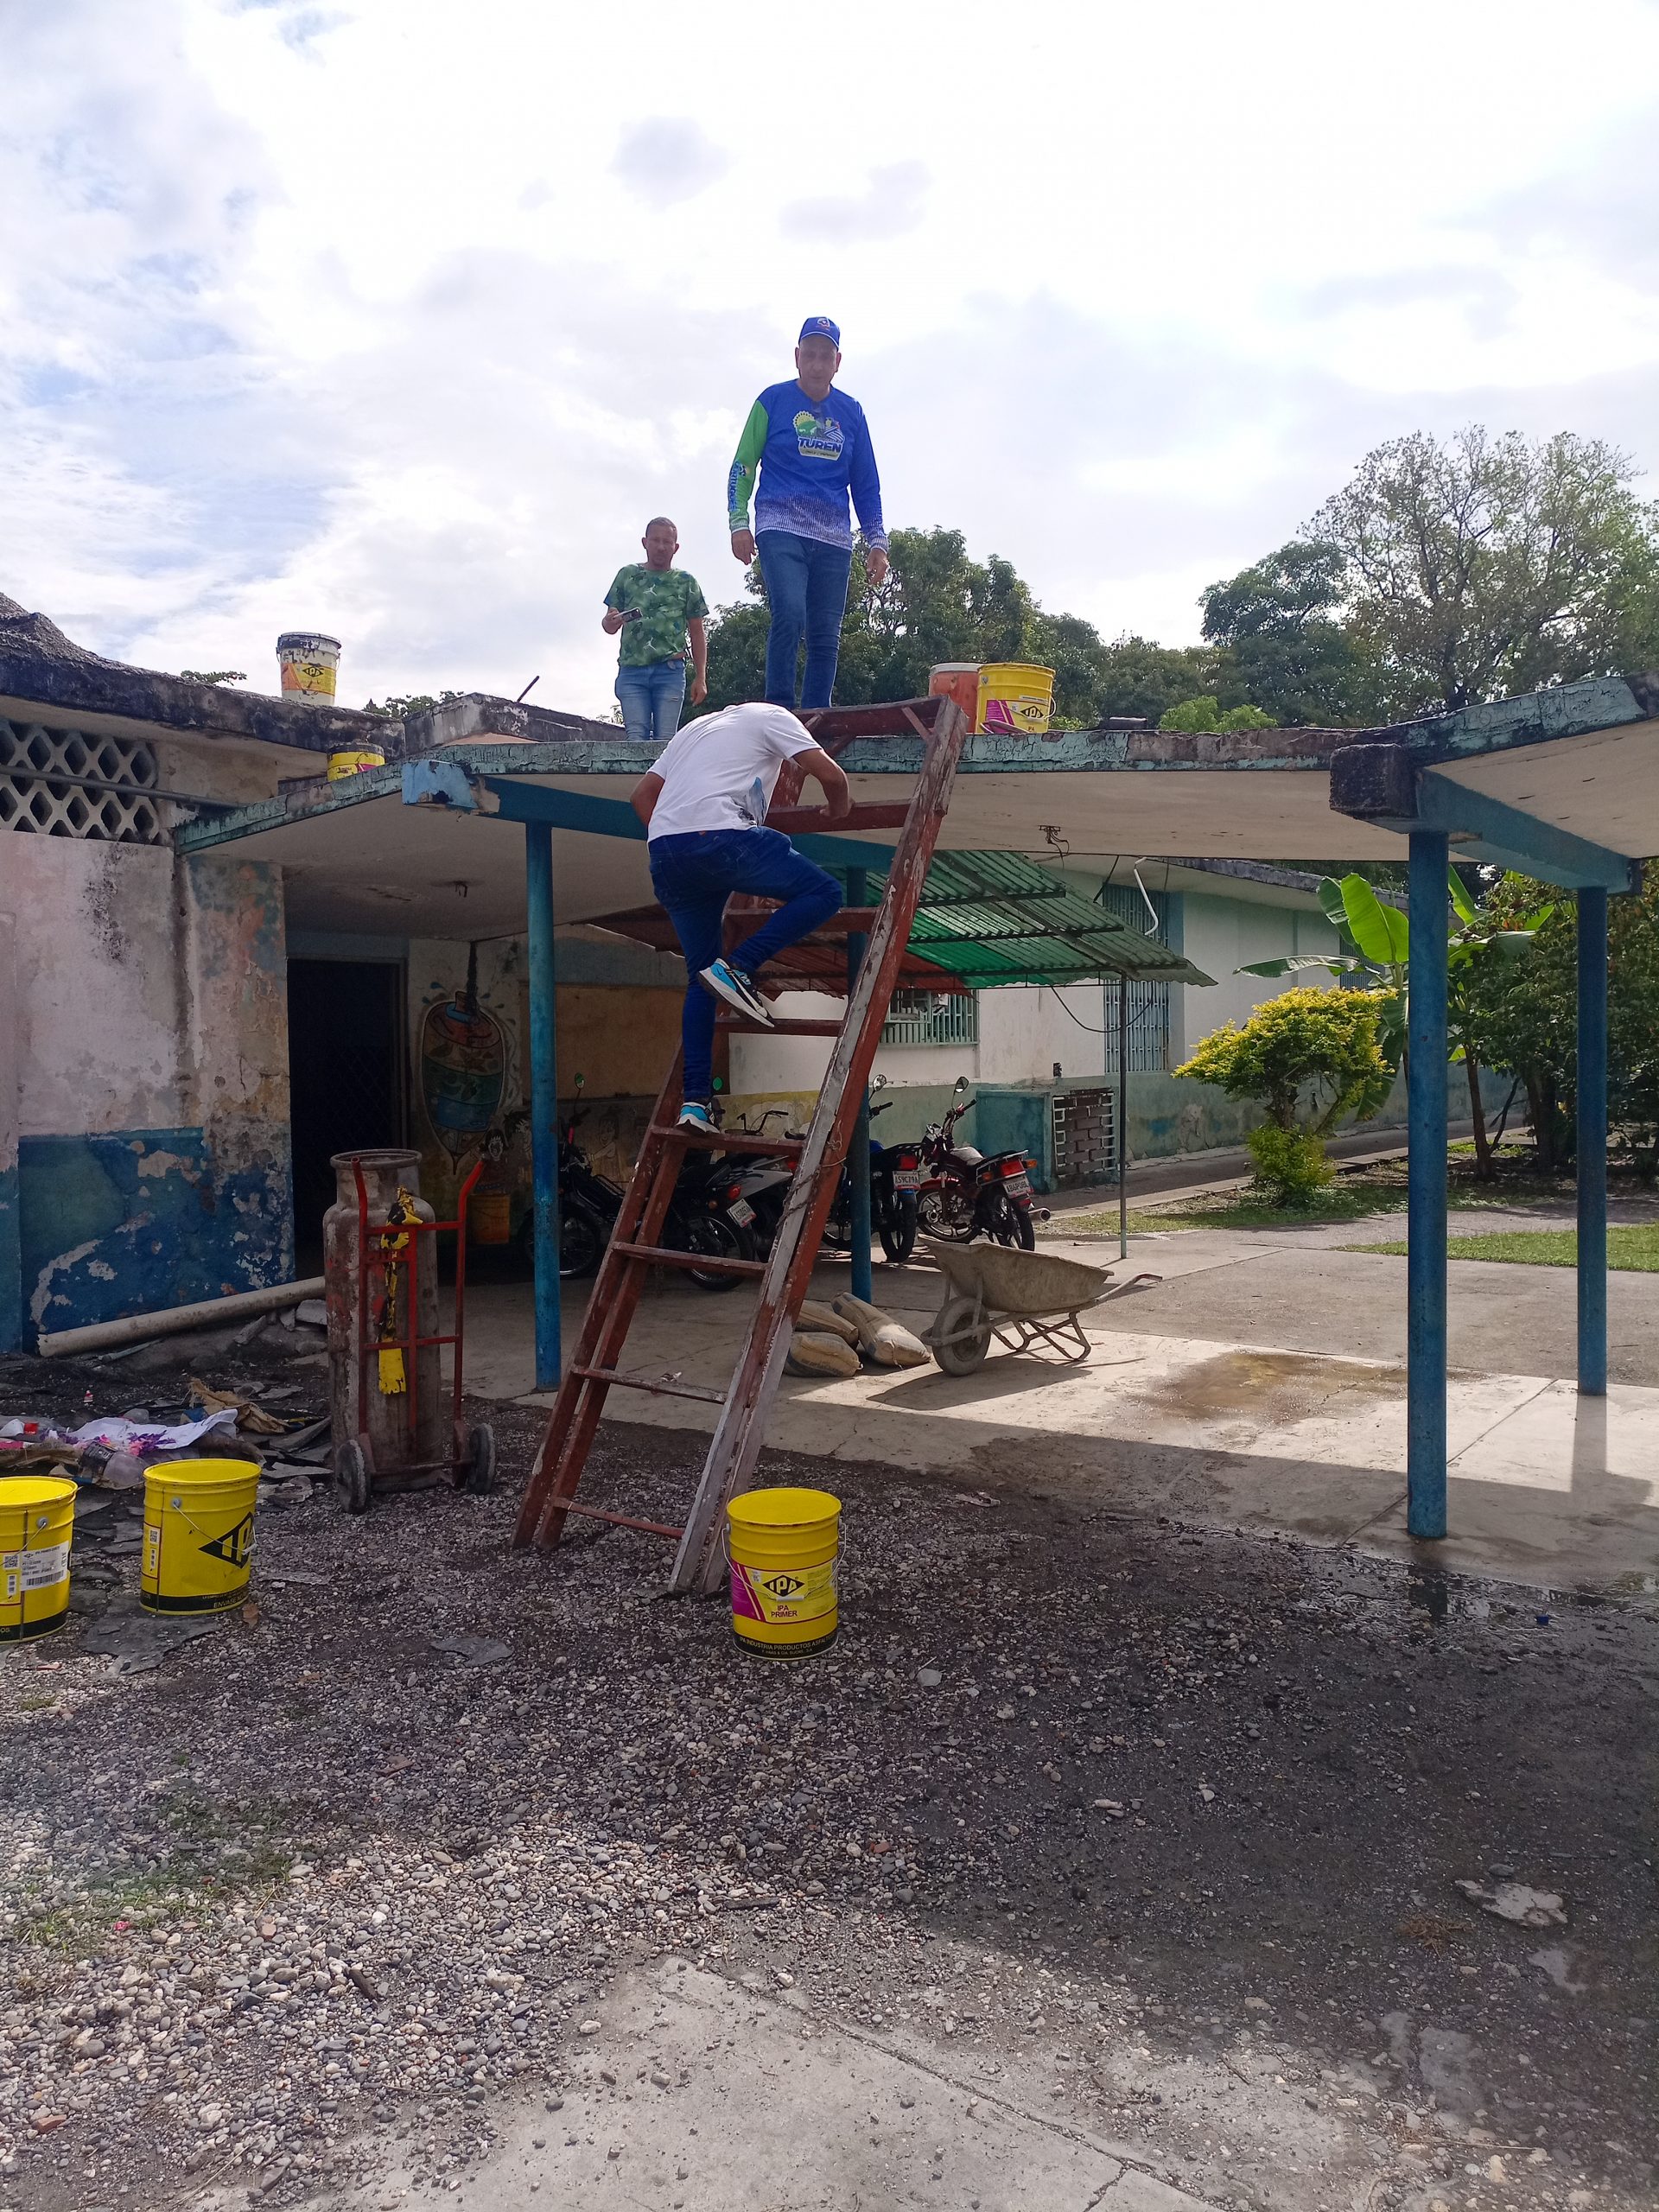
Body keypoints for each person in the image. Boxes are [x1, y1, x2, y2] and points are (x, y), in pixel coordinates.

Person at [630, 701, 850, 1132]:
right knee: (824, 892)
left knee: (700, 978)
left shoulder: (694, 729)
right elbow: (831, 776)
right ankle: (740, 967)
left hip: (665, 851)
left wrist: (678, 840)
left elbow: (641, 797)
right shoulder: (772, 716)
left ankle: (695, 1104)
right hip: (721, 836)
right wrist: (838, 807)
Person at [727, 317, 889, 713]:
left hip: (834, 537)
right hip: (780, 525)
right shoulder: (772, 401)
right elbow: (743, 464)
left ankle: (817, 716)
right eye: (810, 355)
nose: (817, 364)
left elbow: (866, 483)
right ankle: (778, 711)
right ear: (797, 357)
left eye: (825, 356)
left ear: (838, 362)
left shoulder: (851, 412)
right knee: (789, 612)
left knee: (825, 634)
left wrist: (877, 541)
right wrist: (738, 522)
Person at [602, 517, 709, 742]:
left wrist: (701, 677)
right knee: (635, 740)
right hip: (632, 670)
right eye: (655, 540)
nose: (661, 547)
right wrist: (611, 621)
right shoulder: (627, 575)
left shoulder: (686, 581)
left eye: (667, 542)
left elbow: (697, 632)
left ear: (675, 547)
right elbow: (609, 624)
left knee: (666, 742)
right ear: (645, 542)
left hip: (670, 670)